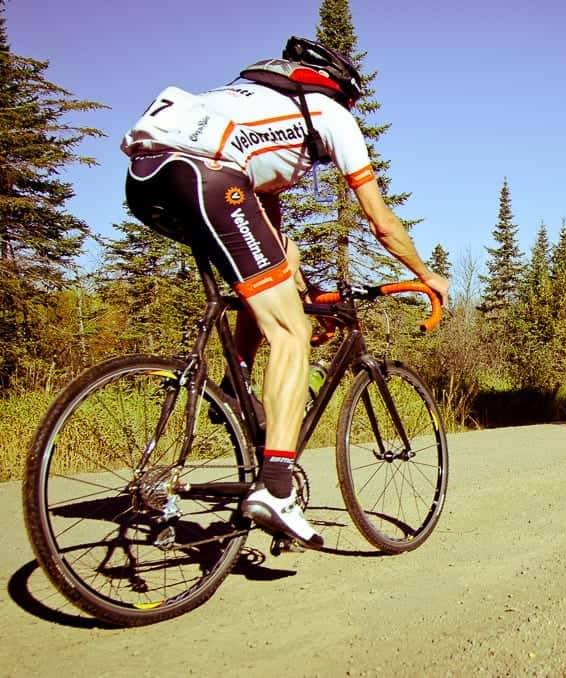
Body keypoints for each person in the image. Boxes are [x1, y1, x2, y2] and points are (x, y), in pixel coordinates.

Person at [121, 37, 449, 549]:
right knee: (291, 334)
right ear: (341, 89)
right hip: (209, 179)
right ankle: (276, 487)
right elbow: (381, 222)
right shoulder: (330, 114)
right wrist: (427, 275)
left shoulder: (248, 101)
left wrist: (299, 288)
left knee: (279, 273)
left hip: (147, 179)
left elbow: (270, 243)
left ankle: (237, 390)